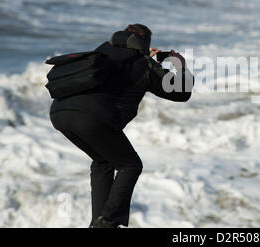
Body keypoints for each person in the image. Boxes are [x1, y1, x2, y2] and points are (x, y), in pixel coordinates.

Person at [49, 24, 194, 228]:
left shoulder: (101, 54)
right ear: (145, 44)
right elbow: (181, 92)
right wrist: (179, 65)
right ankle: (107, 222)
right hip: (91, 117)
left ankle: (98, 222)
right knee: (130, 165)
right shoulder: (142, 63)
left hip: (59, 113)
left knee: (103, 161)